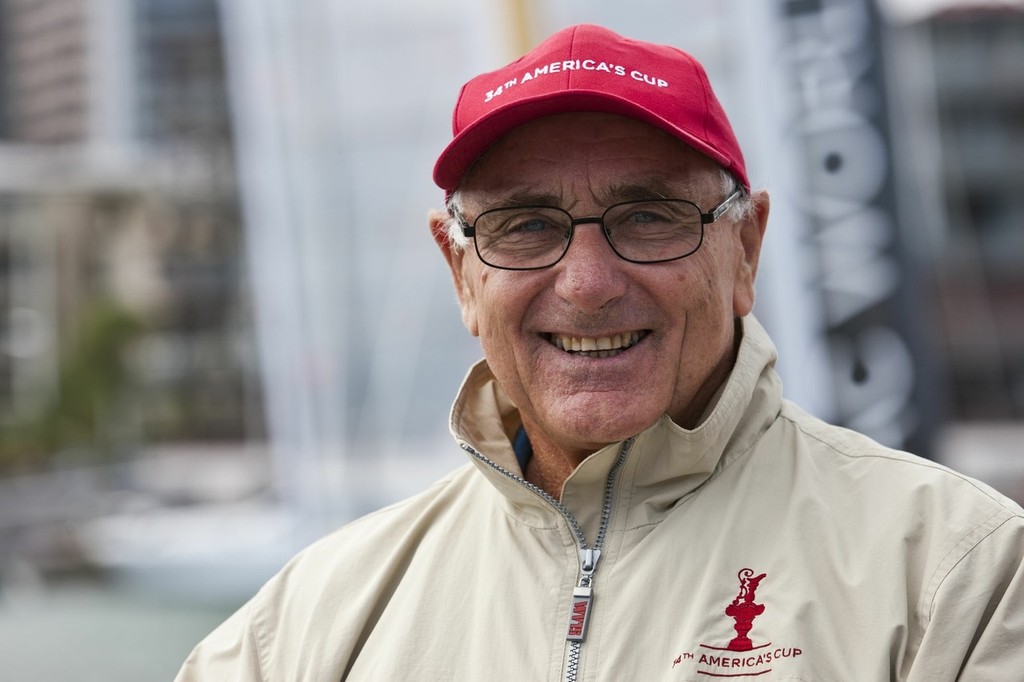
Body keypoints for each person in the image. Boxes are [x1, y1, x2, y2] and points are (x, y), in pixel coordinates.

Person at [176, 24, 1024, 681]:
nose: (586, 283)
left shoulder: (959, 571)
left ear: (746, 253)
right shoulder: (303, 624)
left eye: (650, 216)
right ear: (461, 274)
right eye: (526, 225)